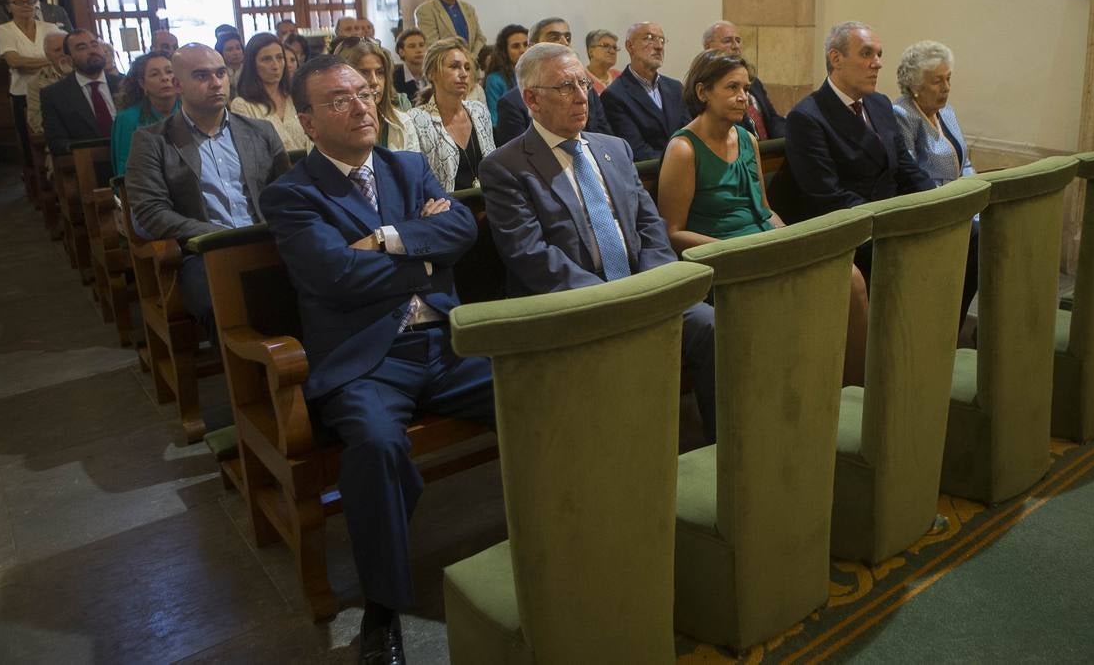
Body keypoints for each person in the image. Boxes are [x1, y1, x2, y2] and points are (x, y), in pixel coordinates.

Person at [261, 55, 493, 665]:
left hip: (445, 343)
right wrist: (423, 248)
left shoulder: (408, 166)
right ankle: (383, 608)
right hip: (367, 360)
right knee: (376, 446)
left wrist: (390, 240)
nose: (361, 106)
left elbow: (463, 229)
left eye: (364, 92)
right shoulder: (291, 193)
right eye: (339, 100)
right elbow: (334, 274)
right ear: (308, 123)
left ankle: (552, 533)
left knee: (538, 385)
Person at [480, 42, 717, 440]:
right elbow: (532, 257)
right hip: (576, 304)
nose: (580, 96)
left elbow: (651, 227)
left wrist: (651, 287)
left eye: (583, 84)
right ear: (531, 100)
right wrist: (613, 299)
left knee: (709, 324)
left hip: (643, 290)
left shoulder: (613, 149)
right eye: (565, 87)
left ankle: (721, 451)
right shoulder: (507, 167)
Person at [659, 49, 869, 384]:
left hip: (765, 246)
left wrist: (787, 237)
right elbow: (671, 232)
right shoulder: (683, 149)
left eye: (746, 88)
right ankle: (786, 395)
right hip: (725, 258)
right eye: (731, 88)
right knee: (791, 297)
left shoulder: (746, 139)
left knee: (851, 279)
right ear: (703, 93)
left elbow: (765, 208)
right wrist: (734, 250)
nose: (743, 97)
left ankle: (850, 392)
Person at [124, 44, 289, 341]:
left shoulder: (260, 131)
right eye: (201, 76)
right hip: (202, 253)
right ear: (177, 84)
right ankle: (252, 377)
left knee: (316, 285)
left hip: (268, 242)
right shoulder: (152, 141)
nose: (215, 83)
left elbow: (289, 192)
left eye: (220, 73)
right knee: (230, 309)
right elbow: (150, 212)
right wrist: (215, 236)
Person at [777, 21, 933, 223]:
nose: (878, 63)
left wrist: (939, 202)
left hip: (891, 216)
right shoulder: (807, 117)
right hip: (852, 229)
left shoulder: (880, 103)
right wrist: (895, 221)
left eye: (879, 54)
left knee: (970, 233)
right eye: (867, 53)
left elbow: (907, 169)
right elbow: (830, 197)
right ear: (836, 58)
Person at [892, 39, 978, 323]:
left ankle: (972, 322)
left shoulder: (946, 112)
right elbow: (910, 172)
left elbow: (964, 162)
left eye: (949, 79)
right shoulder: (902, 114)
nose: (946, 87)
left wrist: (973, 195)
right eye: (937, 81)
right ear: (915, 84)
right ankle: (948, 322)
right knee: (977, 240)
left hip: (960, 200)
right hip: (929, 205)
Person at [492, 24, 613, 145]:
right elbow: (519, 154)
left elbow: (605, 139)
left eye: (567, 37)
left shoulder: (586, 90)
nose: (564, 42)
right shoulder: (512, 102)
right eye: (554, 38)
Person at [411, 39, 494, 191]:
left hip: (487, 203)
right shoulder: (416, 119)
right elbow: (416, 180)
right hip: (447, 208)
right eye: (455, 66)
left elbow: (493, 167)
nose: (463, 74)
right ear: (431, 73)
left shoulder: (479, 111)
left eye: (467, 68)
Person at [600, 21, 688, 161]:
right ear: (630, 46)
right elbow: (636, 150)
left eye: (662, 40)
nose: (659, 46)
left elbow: (689, 134)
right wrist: (679, 163)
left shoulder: (675, 88)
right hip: (648, 176)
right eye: (649, 38)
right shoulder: (614, 95)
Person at [0, 0, 58, 165]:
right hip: (22, 94)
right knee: (31, 145)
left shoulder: (50, 28)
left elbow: (62, 59)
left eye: (30, 1)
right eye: (19, 2)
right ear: (8, 7)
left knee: (55, 136)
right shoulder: (4, 30)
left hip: (51, 90)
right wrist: (49, 61)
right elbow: (15, 62)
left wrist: (30, 63)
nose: (25, 6)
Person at [40, 30, 122, 156]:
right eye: (82, 48)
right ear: (69, 60)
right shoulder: (55, 95)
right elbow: (57, 143)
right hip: (86, 164)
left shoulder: (124, 85)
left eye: (95, 45)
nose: (92, 51)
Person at [703, 20, 785, 139]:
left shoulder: (754, 82)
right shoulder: (707, 84)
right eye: (727, 41)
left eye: (738, 40)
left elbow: (772, 118)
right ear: (708, 47)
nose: (736, 46)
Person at [231, 32, 309, 153]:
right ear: (253, 64)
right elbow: (251, 152)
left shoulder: (295, 97)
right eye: (266, 59)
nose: (276, 66)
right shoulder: (243, 105)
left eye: (279, 57)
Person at [340, 40, 423, 153]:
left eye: (380, 72)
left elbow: (413, 169)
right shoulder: (335, 127)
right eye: (364, 72)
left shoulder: (403, 122)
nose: (374, 81)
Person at [110, 51, 180, 176]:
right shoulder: (128, 118)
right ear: (142, 83)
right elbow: (125, 170)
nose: (165, 78)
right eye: (154, 74)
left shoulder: (190, 109)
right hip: (146, 185)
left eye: (169, 72)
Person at [413, 0, 487, 59]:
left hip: (471, 64)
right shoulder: (425, 11)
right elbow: (433, 45)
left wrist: (472, 56)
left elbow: (480, 37)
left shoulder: (468, 8)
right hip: (445, 65)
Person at [26, 30, 70, 137]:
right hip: (63, 139)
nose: (63, 53)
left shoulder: (87, 71)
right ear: (47, 55)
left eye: (66, 48)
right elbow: (36, 121)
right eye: (57, 50)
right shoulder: (36, 83)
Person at [482, 23, 528, 125]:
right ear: (504, 51)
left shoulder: (538, 74)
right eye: (516, 46)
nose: (523, 50)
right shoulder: (495, 80)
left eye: (526, 44)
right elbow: (495, 121)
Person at [393, 28, 429, 102]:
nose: (419, 50)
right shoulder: (394, 79)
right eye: (412, 46)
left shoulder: (434, 75)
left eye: (421, 45)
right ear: (401, 52)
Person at [584, 28, 621, 94]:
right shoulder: (581, 78)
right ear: (591, 52)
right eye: (606, 46)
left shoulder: (619, 76)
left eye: (615, 47)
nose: (612, 51)